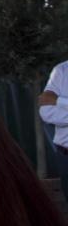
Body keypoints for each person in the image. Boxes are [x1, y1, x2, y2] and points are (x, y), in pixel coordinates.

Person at [39, 60, 68, 200]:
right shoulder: (61, 70)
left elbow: (52, 105)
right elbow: (46, 112)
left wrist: (60, 101)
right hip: (65, 155)